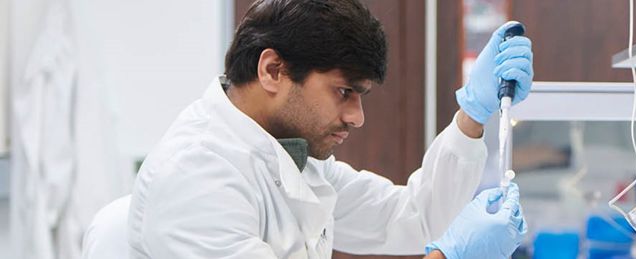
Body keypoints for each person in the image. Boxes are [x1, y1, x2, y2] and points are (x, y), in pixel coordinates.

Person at [126, 0, 533, 258]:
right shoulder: (195, 177)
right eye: (343, 92)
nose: (357, 117)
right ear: (273, 71)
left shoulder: (288, 156)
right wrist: (448, 256)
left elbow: (410, 217)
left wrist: (473, 116)